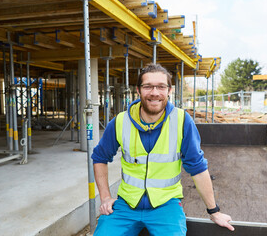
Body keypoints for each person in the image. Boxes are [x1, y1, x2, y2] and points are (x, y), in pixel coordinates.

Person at [91, 63, 234, 235]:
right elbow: (100, 157)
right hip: (125, 205)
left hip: (166, 206)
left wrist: (214, 211)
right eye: (148, 86)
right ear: (138, 90)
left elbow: (197, 167)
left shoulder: (182, 121)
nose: (154, 92)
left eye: (161, 86)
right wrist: (106, 197)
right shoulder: (120, 122)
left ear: (169, 90)